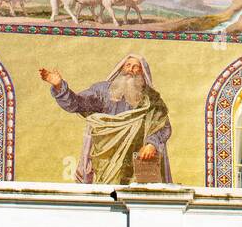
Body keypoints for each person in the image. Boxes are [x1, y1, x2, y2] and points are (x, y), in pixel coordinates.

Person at [38, 55, 172, 184]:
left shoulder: (151, 98)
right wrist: (59, 86)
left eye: (136, 67)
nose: (131, 69)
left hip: (138, 160)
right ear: (121, 69)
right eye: (128, 65)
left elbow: (162, 125)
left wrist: (152, 143)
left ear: (143, 72)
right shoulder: (103, 91)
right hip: (107, 159)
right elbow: (77, 103)